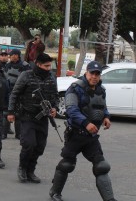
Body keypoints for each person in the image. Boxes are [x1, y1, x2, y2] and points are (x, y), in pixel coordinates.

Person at [49, 61, 117, 201]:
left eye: (97, 74)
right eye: (92, 73)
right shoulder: (75, 88)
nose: (94, 76)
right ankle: (55, 192)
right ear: (86, 72)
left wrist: (107, 117)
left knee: (102, 166)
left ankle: (110, 199)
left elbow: (102, 107)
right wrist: (86, 123)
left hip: (91, 137)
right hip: (76, 134)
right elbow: (71, 109)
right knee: (67, 164)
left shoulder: (101, 89)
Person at [7, 53, 58, 183]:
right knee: (29, 144)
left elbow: (55, 97)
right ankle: (22, 168)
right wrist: (10, 112)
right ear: (38, 64)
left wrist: (54, 108)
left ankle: (31, 170)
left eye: (49, 65)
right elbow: (14, 94)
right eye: (46, 66)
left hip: (43, 118)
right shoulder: (26, 75)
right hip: (27, 116)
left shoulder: (51, 77)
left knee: (40, 146)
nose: (48, 68)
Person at [3, 49, 31, 139]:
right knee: (6, 112)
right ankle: (4, 132)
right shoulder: (7, 65)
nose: (13, 56)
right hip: (8, 91)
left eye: (15, 54)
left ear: (19, 55)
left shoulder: (25, 65)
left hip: (20, 92)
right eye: (12, 55)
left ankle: (18, 134)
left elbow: (29, 78)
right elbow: (3, 77)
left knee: (19, 114)